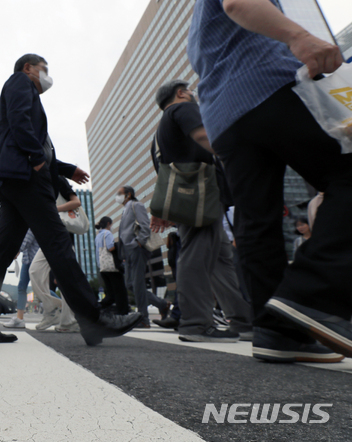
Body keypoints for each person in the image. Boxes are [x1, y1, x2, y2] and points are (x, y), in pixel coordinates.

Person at [187, 0, 348, 362]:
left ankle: (276, 331)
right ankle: (311, 298)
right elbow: (239, 3)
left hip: (224, 118)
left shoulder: (197, 24)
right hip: (268, 88)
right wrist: (300, 37)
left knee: (257, 219)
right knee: (346, 175)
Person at [0, 53, 142, 346]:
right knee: (58, 244)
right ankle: (94, 320)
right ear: (28, 68)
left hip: (13, 180)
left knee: (2, 253)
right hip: (26, 181)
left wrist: (67, 169)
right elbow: (22, 125)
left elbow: (37, 145)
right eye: (44, 69)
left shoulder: (28, 94)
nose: (47, 75)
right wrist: (36, 160)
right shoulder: (20, 81)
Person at [150, 80, 253, 342]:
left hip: (190, 196)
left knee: (220, 258)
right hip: (200, 193)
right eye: (190, 92)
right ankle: (196, 323)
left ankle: (243, 321)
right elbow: (204, 136)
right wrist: (238, 160)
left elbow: (163, 170)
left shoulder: (161, 128)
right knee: (197, 253)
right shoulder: (182, 109)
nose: (192, 95)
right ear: (181, 93)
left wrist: (162, 207)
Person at [31, 175, 84, 332]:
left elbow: (76, 202)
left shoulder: (57, 179)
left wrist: (53, 209)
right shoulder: (35, 183)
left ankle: (69, 321)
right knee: (34, 272)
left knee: (65, 280)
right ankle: (52, 309)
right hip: (47, 238)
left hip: (63, 237)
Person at [115, 186, 169, 328]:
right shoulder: (125, 209)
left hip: (137, 249)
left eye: (120, 193)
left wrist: (138, 242)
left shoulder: (136, 205)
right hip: (128, 251)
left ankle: (144, 319)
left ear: (128, 195)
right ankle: (161, 304)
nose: (117, 196)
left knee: (138, 283)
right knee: (130, 284)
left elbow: (145, 225)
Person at [94, 216, 129, 316]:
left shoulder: (98, 236)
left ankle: (97, 308)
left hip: (103, 268)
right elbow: (110, 247)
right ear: (109, 223)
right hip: (112, 267)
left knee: (111, 294)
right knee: (120, 292)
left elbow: (97, 253)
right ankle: (123, 314)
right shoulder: (107, 233)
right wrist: (119, 247)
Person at [4, 230, 38, 329]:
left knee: (39, 288)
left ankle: (65, 306)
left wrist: (17, 251)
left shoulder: (32, 218)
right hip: (27, 259)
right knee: (22, 287)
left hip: (35, 259)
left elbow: (28, 238)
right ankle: (20, 319)